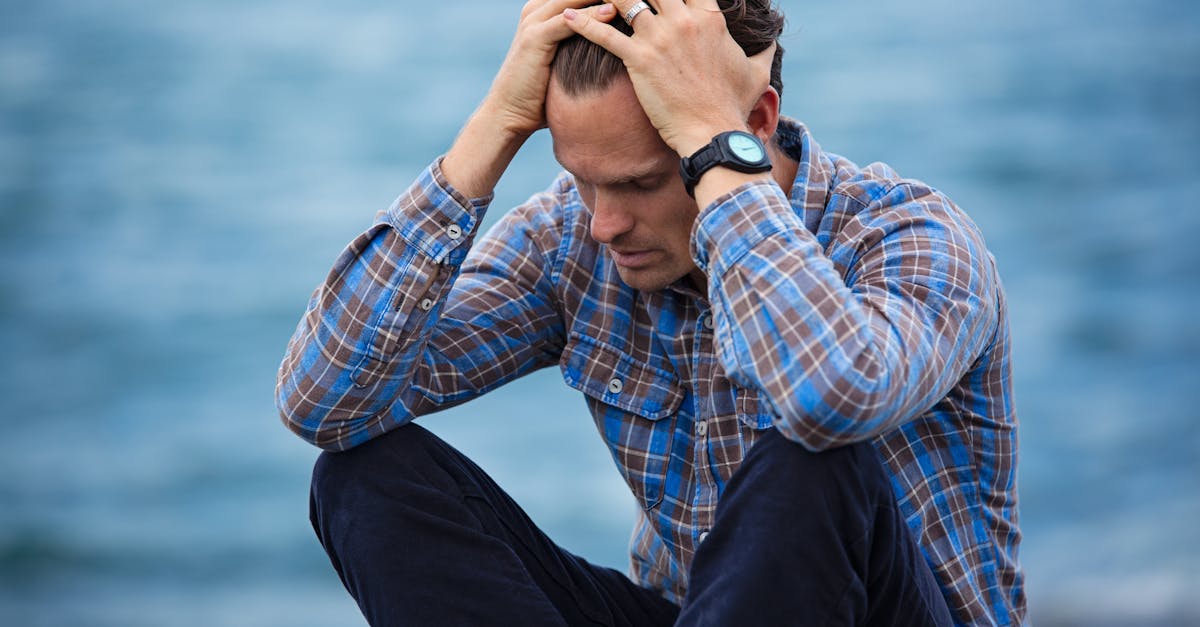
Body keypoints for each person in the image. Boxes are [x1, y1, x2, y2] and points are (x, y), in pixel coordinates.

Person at [275, 0, 1025, 624]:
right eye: (583, 179)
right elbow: (323, 402)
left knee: (811, 456)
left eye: (639, 183)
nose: (604, 223)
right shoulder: (573, 240)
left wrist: (713, 147)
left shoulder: (911, 237)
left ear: (754, 124)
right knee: (362, 478)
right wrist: (495, 125)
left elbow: (828, 396)